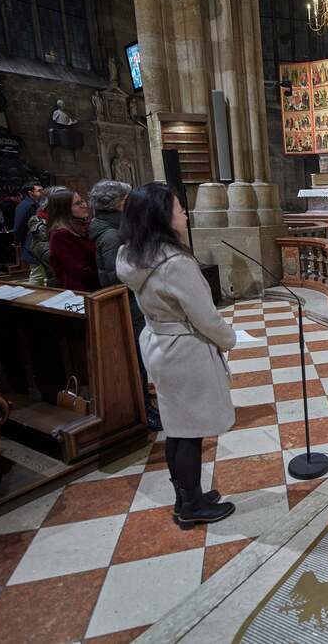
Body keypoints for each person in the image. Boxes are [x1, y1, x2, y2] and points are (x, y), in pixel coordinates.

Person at [116, 182, 234, 529]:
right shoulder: (174, 263)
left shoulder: (132, 254)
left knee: (177, 427)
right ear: (162, 218)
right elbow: (205, 316)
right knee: (190, 431)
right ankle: (191, 505)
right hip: (183, 350)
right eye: (180, 209)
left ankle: (186, 496)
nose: (185, 215)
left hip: (158, 342)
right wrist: (228, 339)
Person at [88, 179, 162, 431]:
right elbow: (116, 277)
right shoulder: (111, 235)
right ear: (120, 203)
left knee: (140, 359)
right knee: (137, 360)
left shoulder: (115, 227)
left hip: (132, 302)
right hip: (127, 305)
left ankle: (146, 403)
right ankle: (143, 410)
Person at [46, 186, 100, 292]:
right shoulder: (60, 234)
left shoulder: (84, 226)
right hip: (82, 290)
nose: (84, 205)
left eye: (82, 201)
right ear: (64, 209)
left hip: (96, 285)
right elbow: (79, 271)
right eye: (77, 204)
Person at [14, 182, 44, 269]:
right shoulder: (25, 206)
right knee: (36, 271)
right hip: (31, 243)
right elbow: (19, 226)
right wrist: (19, 240)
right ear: (30, 193)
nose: (42, 193)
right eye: (39, 191)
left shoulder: (36, 204)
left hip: (38, 243)